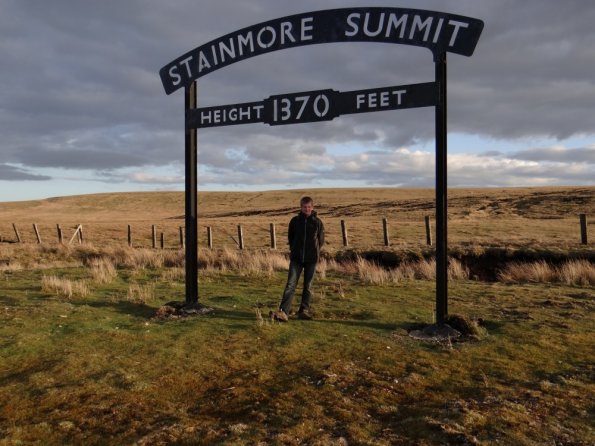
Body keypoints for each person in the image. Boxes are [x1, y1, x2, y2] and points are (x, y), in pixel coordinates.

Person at [274, 196, 324, 322]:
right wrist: (295, 249)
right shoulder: (295, 221)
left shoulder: (317, 222)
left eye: (308, 207)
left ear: (312, 207)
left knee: (308, 286)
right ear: (301, 207)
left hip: (311, 259)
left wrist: (314, 252)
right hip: (296, 258)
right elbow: (291, 238)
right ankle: (283, 312)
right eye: (304, 207)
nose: (306, 209)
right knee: (290, 284)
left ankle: (304, 311)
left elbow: (320, 240)